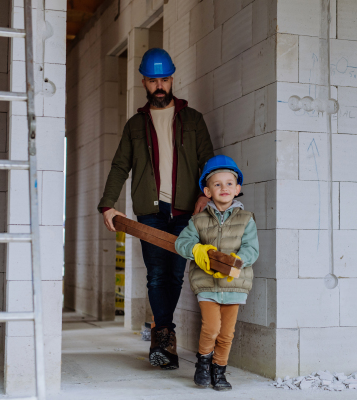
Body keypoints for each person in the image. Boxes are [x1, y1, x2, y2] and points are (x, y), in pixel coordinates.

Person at [97, 48, 214, 370]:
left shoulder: (193, 120)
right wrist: (108, 205)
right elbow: (120, 165)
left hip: (184, 211)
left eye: (164, 79)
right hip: (150, 209)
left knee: (174, 274)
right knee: (156, 274)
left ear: (172, 79)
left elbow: (209, 161)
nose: (159, 86)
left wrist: (206, 194)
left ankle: (162, 334)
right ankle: (163, 335)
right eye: (152, 81)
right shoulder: (135, 124)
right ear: (144, 83)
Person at [174, 155, 259, 391]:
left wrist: (235, 262)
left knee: (226, 333)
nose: (224, 188)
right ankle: (203, 364)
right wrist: (196, 249)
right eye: (217, 184)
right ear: (207, 191)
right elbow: (181, 243)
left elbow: (252, 249)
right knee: (211, 328)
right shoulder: (198, 221)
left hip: (235, 285)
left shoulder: (246, 219)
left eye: (229, 183)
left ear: (238, 189)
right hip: (207, 285)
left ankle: (219, 371)